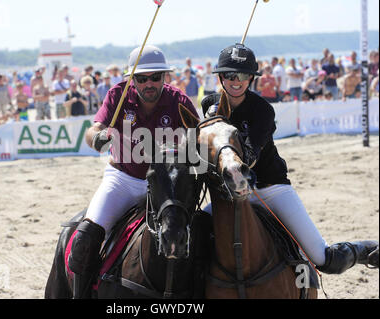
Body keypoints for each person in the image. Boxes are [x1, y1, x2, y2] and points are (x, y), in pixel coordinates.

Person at [202, 43, 378, 276]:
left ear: (252, 78)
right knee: (196, 230)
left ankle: (365, 249)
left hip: (270, 189)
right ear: (220, 77)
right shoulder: (209, 105)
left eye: (244, 74)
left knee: (323, 258)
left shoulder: (263, 110)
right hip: (229, 192)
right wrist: (210, 123)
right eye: (229, 74)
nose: (237, 80)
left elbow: (250, 156)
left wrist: (223, 126)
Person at [68, 45, 200, 298]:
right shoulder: (118, 96)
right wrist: (98, 137)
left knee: (205, 235)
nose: (149, 83)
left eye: (155, 77)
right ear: (132, 79)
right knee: (85, 237)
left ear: (165, 76)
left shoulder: (178, 101)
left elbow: (198, 138)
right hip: (123, 180)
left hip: (166, 185)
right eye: (141, 78)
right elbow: (92, 130)